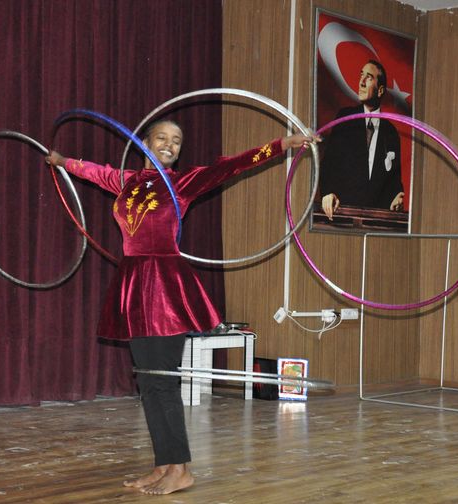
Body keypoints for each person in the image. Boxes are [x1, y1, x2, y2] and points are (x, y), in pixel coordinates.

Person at [46, 122, 316, 495]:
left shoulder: (182, 182)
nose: (170, 145)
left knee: (164, 380)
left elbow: (233, 165)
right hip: (134, 283)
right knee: (148, 381)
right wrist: (61, 161)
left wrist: (283, 143)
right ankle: (163, 465)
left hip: (165, 285)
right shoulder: (125, 181)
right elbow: (90, 170)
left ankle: (182, 469)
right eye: (162, 139)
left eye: (177, 141)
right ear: (144, 143)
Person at [319, 59, 405, 220]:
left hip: (375, 221)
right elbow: (329, 164)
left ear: (380, 91)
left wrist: (397, 197)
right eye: (361, 76)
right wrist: (327, 193)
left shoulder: (390, 132)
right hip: (342, 216)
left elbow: (394, 181)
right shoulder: (345, 118)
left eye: (369, 77)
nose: (362, 82)